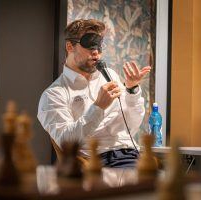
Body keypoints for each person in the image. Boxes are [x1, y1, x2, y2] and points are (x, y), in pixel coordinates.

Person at [37, 19, 151, 168]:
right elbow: (67, 143)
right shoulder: (53, 94)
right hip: (96, 162)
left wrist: (132, 90)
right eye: (90, 43)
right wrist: (98, 107)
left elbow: (132, 125)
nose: (96, 51)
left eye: (99, 44)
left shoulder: (109, 76)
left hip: (132, 155)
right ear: (70, 46)